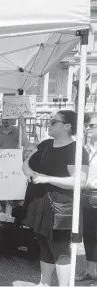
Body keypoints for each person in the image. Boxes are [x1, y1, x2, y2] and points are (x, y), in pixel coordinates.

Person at [22, 110, 89, 286]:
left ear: (67, 126)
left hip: (61, 206)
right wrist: (29, 173)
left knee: (60, 250)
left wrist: (47, 178)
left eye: (53, 122)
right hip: (41, 202)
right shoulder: (45, 144)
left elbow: (80, 180)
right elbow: (26, 163)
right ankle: (44, 283)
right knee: (43, 245)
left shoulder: (76, 149)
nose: (49, 125)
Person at [76, 113, 97, 284]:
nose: (89, 129)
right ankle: (91, 271)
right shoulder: (84, 149)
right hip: (85, 195)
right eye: (89, 125)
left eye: (93, 126)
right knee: (88, 235)